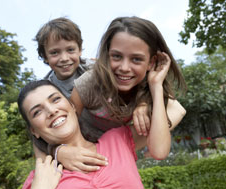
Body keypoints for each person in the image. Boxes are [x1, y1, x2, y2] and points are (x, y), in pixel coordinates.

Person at [55, 16, 186, 171]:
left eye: (136, 59)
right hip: (81, 152)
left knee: (176, 110)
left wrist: (155, 87)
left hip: (114, 153)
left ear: (151, 62)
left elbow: (159, 151)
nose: (124, 67)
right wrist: (59, 152)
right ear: (107, 54)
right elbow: (60, 129)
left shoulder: (148, 87)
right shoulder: (89, 84)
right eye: (116, 56)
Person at [18, 79, 170, 189]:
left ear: (72, 105)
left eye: (55, 99)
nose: (51, 111)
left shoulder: (117, 140)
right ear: (34, 131)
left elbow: (175, 110)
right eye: (37, 112)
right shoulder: (39, 178)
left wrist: (150, 94)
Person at [35, 17, 93, 98]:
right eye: (54, 53)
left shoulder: (94, 69)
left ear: (79, 49)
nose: (64, 58)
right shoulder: (46, 89)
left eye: (70, 50)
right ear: (45, 56)